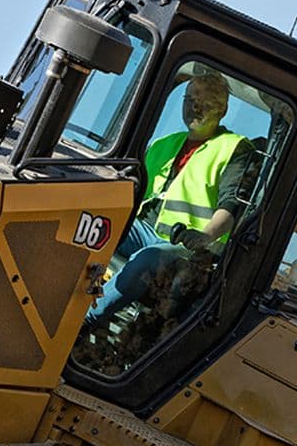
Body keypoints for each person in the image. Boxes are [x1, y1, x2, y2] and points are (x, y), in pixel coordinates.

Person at [85, 71, 255, 327]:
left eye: (205, 102)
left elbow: (231, 205)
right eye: (190, 100)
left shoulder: (235, 149)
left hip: (188, 252)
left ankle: (84, 320)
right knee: (96, 220)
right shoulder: (164, 144)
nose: (195, 108)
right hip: (143, 231)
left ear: (223, 109)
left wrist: (205, 236)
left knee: (149, 258)